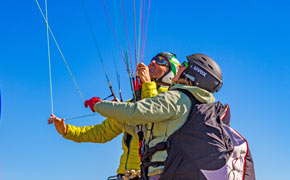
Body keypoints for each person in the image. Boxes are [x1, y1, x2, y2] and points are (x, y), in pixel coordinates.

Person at [50, 53, 222, 180]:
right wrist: (67, 131)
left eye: (161, 61)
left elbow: (146, 116)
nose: (152, 62)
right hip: (126, 175)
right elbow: (102, 132)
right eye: (153, 59)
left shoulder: (176, 99)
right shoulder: (134, 102)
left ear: (172, 71)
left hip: (155, 173)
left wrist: (147, 85)